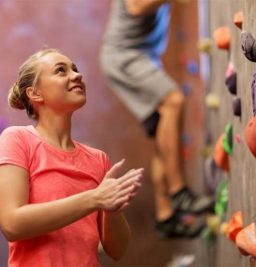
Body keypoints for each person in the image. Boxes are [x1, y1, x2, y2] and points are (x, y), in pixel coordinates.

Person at [0, 48, 144, 267]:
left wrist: (113, 206)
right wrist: (95, 198)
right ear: (35, 94)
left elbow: (117, 250)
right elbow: (12, 223)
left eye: (75, 69)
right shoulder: (18, 139)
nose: (76, 75)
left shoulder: (98, 160)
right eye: (61, 71)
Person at [100, 0, 214, 238]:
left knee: (164, 128)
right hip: (125, 57)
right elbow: (136, 7)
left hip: (142, 56)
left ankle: (166, 216)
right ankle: (178, 192)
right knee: (173, 101)